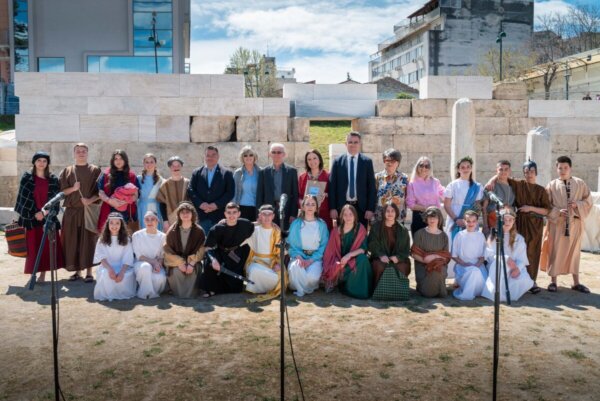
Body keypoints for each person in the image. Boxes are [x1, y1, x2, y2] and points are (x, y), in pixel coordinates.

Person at [486, 159, 550, 294]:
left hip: (535, 224)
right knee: (517, 250)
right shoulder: (519, 184)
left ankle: (532, 281)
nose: (529, 174)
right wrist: (491, 180)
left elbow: (546, 211)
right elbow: (502, 175)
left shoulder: (541, 190)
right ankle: (516, 277)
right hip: (518, 222)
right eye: (526, 172)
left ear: (536, 172)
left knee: (533, 251)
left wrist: (530, 208)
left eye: (532, 171)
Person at [540, 156, 593, 293]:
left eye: (565, 168)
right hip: (557, 224)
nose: (563, 170)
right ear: (556, 169)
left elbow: (588, 202)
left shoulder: (580, 183)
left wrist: (577, 205)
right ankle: (553, 282)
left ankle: (576, 282)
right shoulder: (551, 185)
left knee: (574, 253)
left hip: (575, 223)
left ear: (570, 168)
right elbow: (545, 205)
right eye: (560, 168)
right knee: (555, 251)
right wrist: (557, 212)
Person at [14, 151, 64, 283]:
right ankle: (33, 273)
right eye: (39, 160)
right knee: (33, 247)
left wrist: (44, 212)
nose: (41, 163)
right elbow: (23, 199)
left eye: (44, 161)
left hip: (47, 218)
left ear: (47, 163)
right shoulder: (27, 178)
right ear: (34, 162)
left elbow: (55, 200)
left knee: (46, 248)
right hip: (31, 219)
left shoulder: (53, 179)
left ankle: (43, 274)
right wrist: (35, 214)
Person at [59, 143, 102, 282]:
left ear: (87, 153)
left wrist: (90, 200)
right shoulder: (67, 171)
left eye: (84, 151)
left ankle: (89, 272)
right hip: (71, 212)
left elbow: (101, 192)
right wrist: (73, 188)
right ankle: (77, 271)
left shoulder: (95, 170)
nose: (81, 153)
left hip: (88, 211)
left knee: (89, 241)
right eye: (78, 151)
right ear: (74, 154)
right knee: (73, 241)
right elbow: (62, 192)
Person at [201, 202, 255, 297]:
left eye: (234, 212)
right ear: (225, 214)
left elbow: (256, 224)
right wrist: (213, 260)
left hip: (237, 255)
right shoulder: (217, 228)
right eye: (229, 212)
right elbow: (208, 248)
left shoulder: (245, 224)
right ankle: (210, 289)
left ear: (239, 213)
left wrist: (273, 224)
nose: (231, 215)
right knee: (209, 263)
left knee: (235, 288)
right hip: (221, 253)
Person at [482, 209, 534, 302]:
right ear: (499, 221)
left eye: (510, 220)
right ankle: (498, 294)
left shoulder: (519, 239)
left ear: (514, 222)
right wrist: (505, 258)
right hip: (497, 266)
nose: (507, 222)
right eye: (505, 220)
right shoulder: (493, 237)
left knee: (522, 279)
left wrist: (517, 268)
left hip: (514, 267)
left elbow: (522, 258)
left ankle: (509, 295)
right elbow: (489, 256)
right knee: (501, 266)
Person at [322, 204, 371, 299]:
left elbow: (363, 249)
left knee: (363, 259)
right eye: (345, 214)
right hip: (341, 262)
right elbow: (330, 252)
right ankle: (339, 281)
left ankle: (360, 290)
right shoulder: (336, 231)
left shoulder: (360, 228)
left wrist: (349, 255)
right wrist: (339, 262)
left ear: (355, 216)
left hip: (354, 260)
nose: (348, 217)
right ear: (341, 216)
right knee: (335, 266)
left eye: (351, 214)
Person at [329, 131, 376, 227]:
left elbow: (371, 187)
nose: (353, 145)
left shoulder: (367, 162)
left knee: (360, 234)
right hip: (342, 207)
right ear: (345, 144)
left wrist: (370, 208)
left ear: (360, 144)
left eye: (356, 142)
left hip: (362, 208)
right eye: (350, 142)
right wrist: (332, 208)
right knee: (343, 234)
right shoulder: (338, 162)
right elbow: (332, 186)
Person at [287, 195, 330, 297]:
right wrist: (299, 257)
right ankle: (302, 287)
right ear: (303, 207)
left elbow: (324, 245)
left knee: (312, 277)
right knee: (294, 268)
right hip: (299, 256)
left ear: (316, 208)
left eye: (313, 204)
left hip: (315, 258)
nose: (310, 207)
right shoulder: (296, 224)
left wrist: (310, 260)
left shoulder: (322, 225)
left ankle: (300, 287)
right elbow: (290, 244)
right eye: (307, 204)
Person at [188, 146, 235, 234]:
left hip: (219, 216)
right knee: (202, 241)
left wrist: (216, 205)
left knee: (219, 241)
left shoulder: (227, 173)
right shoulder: (196, 172)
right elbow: (191, 190)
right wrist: (200, 204)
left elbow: (230, 193)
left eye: (213, 155)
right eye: (208, 155)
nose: (210, 157)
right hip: (201, 216)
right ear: (204, 157)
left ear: (218, 156)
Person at [163, 202, 206, 298]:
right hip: (176, 262)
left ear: (192, 214)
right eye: (182, 212)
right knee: (176, 271)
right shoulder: (172, 230)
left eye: (188, 212)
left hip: (193, 261)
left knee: (193, 272)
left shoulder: (199, 231)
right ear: (178, 215)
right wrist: (179, 263)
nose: (185, 214)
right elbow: (167, 249)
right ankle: (177, 293)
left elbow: (202, 249)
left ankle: (192, 293)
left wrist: (191, 263)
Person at [244, 204, 284, 302]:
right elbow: (239, 232)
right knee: (254, 270)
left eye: (269, 214)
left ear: (273, 216)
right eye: (264, 214)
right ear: (260, 216)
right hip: (256, 262)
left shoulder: (277, 231)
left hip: (272, 263)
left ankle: (267, 286)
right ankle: (262, 287)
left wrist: (279, 264)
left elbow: (282, 251)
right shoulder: (253, 230)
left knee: (279, 278)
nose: (266, 217)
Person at [93, 212, 136, 301]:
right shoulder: (102, 239)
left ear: (121, 225)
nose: (114, 226)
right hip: (107, 266)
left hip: (123, 267)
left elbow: (128, 258)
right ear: (107, 224)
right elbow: (101, 257)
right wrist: (110, 270)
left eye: (117, 223)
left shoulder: (127, 239)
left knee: (126, 276)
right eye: (111, 223)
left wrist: (122, 273)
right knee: (106, 274)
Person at [410, 207, 451, 298]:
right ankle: (426, 289)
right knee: (427, 293)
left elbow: (446, 256)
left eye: (435, 217)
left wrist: (435, 257)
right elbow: (414, 254)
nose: (432, 219)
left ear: (439, 219)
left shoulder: (444, 236)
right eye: (430, 217)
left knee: (437, 272)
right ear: (426, 218)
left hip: (439, 265)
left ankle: (439, 290)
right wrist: (425, 260)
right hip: (422, 266)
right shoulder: (419, 234)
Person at [368, 202, 411, 288]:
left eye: (392, 211)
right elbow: (372, 244)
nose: (390, 213)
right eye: (387, 211)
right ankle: (378, 290)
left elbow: (406, 249)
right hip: (380, 258)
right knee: (379, 266)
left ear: (396, 213)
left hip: (397, 258)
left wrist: (398, 257)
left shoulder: (403, 230)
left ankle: (398, 291)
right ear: (384, 213)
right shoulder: (376, 227)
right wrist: (381, 255)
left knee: (402, 266)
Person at [443, 156, 483, 248]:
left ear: (471, 168)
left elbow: (477, 205)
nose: (466, 169)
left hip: (471, 222)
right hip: (454, 220)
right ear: (458, 169)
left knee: (470, 246)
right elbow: (447, 205)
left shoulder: (477, 186)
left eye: (468, 167)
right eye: (463, 167)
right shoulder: (452, 185)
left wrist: (471, 220)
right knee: (453, 246)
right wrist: (456, 219)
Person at [256, 143, 299, 230]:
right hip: (268, 212)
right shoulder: (263, 172)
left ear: (284, 154)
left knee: (284, 235)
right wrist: (259, 214)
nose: (276, 154)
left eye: (279, 152)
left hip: (287, 210)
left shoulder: (292, 171)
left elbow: (295, 194)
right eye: (273, 152)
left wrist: (293, 214)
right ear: (270, 154)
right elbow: (259, 195)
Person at [97, 149, 141, 232]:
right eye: (116, 159)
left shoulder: (131, 176)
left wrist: (126, 201)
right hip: (109, 210)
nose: (118, 161)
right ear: (112, 161)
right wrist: (110, 201)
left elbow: (136, 194)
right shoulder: (106, 174)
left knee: (126, 236)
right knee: (108, 236)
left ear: (125, 160)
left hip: (127, 212)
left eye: (121, 158)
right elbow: (100, 192)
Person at [451, 210, 487, 301]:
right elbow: (454, 255)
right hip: (463, 266)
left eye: (473, 221)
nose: (471, 223)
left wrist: (477, 265)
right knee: (473, 272)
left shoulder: (481, 235)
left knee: (476, 274)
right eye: (468, 221)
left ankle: (473, 290)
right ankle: (466, 292)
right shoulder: (459, 235)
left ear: (477, 222)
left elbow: (483, 255)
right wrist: (464, 264)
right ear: (464, 221)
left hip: (478, 266)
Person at [132, 211, 167, 299]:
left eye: (152, 219)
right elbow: (139, 256)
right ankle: (144, 294)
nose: (150, 222)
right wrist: (153, 262)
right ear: (144, 221)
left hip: (156, 263)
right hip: (140, 263)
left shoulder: (163, 236)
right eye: (147, 219)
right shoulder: (137, 235)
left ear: (157, 221)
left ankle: (150, 291)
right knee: (146, 267)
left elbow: (162, 255)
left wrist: (158, 264)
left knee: (160, 278)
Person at [406, 156, 445, 236]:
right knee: (420, 243)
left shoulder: (435, 182)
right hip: (419, 217)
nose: (424, 168)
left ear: (430, 168)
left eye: (427, 166)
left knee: (436, 242)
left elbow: (445, 195)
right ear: (417, 167)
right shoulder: (412, 183)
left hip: (435, 218)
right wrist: (426, 209)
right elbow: (410, 204)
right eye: (421, 165)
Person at [298, 149, 332, 229]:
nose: (312, 161)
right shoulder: (302, 177)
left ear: (319, 159)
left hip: (324, 214)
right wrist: (301, 202)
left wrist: (326, 195)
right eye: (309, 159)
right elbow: (299, 195)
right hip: (307, 215)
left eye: (314, 158)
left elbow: (333, 194)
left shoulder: (328, 176)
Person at [374, 148, 409, 222]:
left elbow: (407, 197)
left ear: (398, 163)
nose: (389, 163)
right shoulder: (377, 177)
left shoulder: (404, 178)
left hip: (398, 219)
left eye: (392, 161)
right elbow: (372, 197)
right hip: (381, 218)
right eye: (387, 160)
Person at [156, 156, 189, 233]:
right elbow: (162, 204)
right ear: (170, 167)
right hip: (170, 219)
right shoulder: (165, 185)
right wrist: (165, 221)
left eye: (178, 165)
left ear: (181, 166)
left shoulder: (188, 183)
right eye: (173, 166)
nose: (176, 168)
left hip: (186, 217)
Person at [482, 160, 515, 237]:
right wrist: (485, 226)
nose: (503, 172)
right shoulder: (491, 186)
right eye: (501, 169)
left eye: (506, 169)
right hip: (493, 222)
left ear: (510, 171)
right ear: (496, 171)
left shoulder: (514, 186)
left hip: (509, 223)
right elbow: (484, 208)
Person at [137, 153, 164, 230]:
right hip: (142, 207)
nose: (149, 164)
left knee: (155, 229)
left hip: (156, 207)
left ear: (155, 164)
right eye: (147, 162)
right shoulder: (138, 178)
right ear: (143, 164)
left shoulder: (161, 180)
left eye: (151, 162)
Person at [233, 146, 261, 221]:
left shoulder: (261, 172)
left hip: (257, 208)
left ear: (255, 157)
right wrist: (234, 208)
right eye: (245, 155)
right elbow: (234, 191)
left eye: (251, 155)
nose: (248, 157)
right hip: (242, 207)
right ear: (242, 158)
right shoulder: (238, 173)